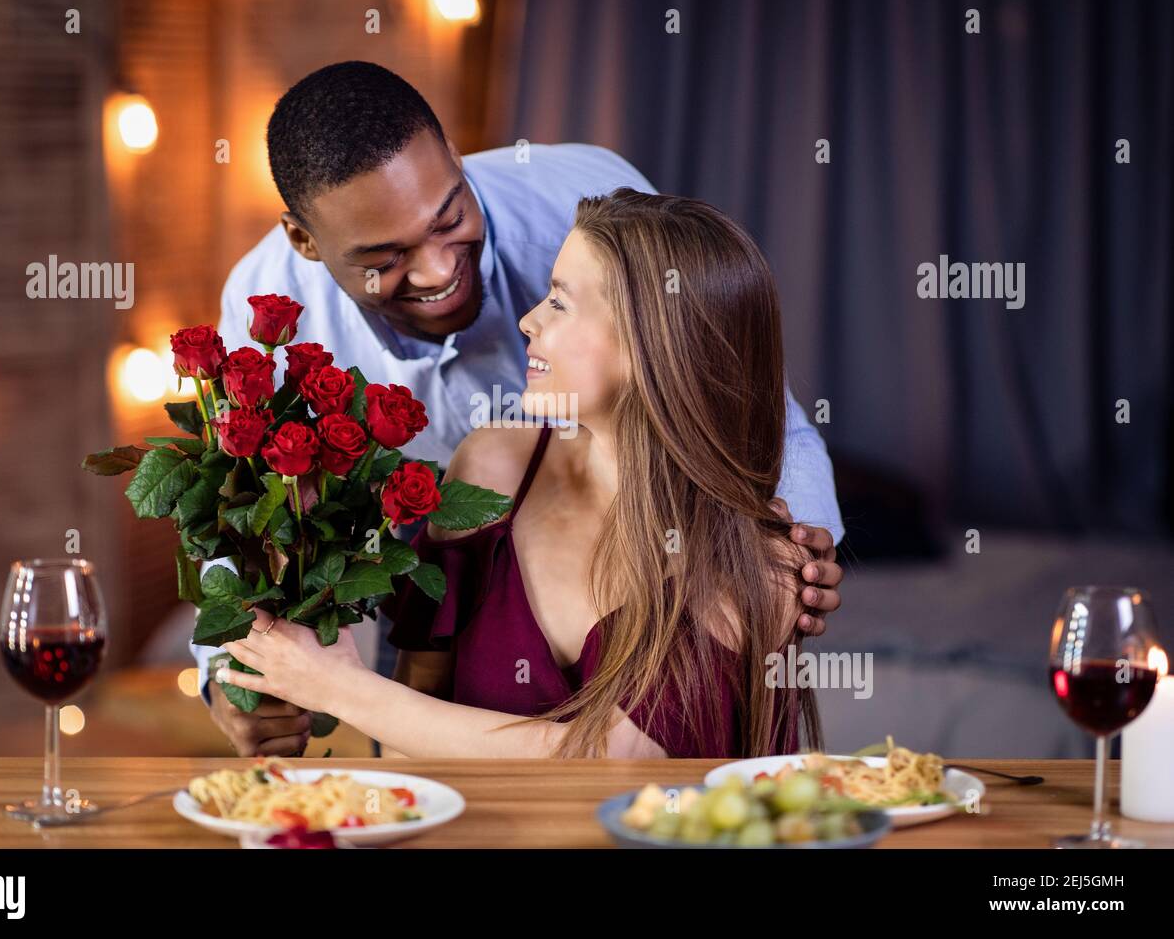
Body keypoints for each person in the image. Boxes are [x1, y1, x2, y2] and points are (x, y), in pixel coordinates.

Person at [194, 61, 844, 756]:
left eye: (450, 218)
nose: (441, 270)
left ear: (455, 156)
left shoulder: (575, 211)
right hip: (450, 555)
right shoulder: (274, 311)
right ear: (306, 242)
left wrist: (793, 549)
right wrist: (235, 676)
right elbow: (241, 514)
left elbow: (741, 392)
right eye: (386, 256)